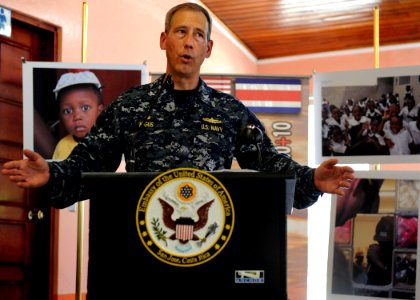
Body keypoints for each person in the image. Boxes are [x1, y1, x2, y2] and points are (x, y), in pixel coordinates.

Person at [1, 2, 354, 210]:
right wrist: (52, 173)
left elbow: (269, 164)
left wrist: (311, 179)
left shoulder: (229, 111)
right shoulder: (130, 106)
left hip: (210, 242)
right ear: (164, 40)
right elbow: (90, 164)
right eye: (181, 32)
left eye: (198, 35)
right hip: (141, 244)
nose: (189, 42)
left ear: (208, 48)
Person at [51, 71, 104, 160]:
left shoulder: (109, 143)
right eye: (67, 111)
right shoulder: (62, 146)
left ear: (99, 111)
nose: (77, 117)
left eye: (85, 108)